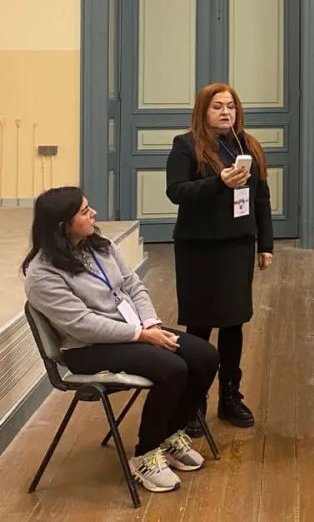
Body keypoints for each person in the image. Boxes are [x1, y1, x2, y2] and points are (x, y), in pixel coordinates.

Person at [22, 188, 219, 494]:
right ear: (63, 225)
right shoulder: (42, 274)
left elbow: (133, 285)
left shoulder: (100, 246)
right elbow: (83, 326)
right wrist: (141, 335)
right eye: (85, 211)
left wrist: (151, 322)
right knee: (172, 368)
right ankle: (145, 455)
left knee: (205, 356)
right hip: (86, 348)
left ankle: (170, 435)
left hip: (132, 330)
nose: (94, 214)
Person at [166, 83, 274, 431]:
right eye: (217, 107)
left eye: (231, 106)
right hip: (199, 249)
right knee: (199, 325)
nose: (226, 112)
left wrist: (266, 245)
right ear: (203, 111)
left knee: (233, 322)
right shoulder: (186, 146)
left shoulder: (248, 145)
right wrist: (219, 183)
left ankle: (230, 396)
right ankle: (194, 401)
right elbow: (176, 192)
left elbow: (260, 198)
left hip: (237, 247)